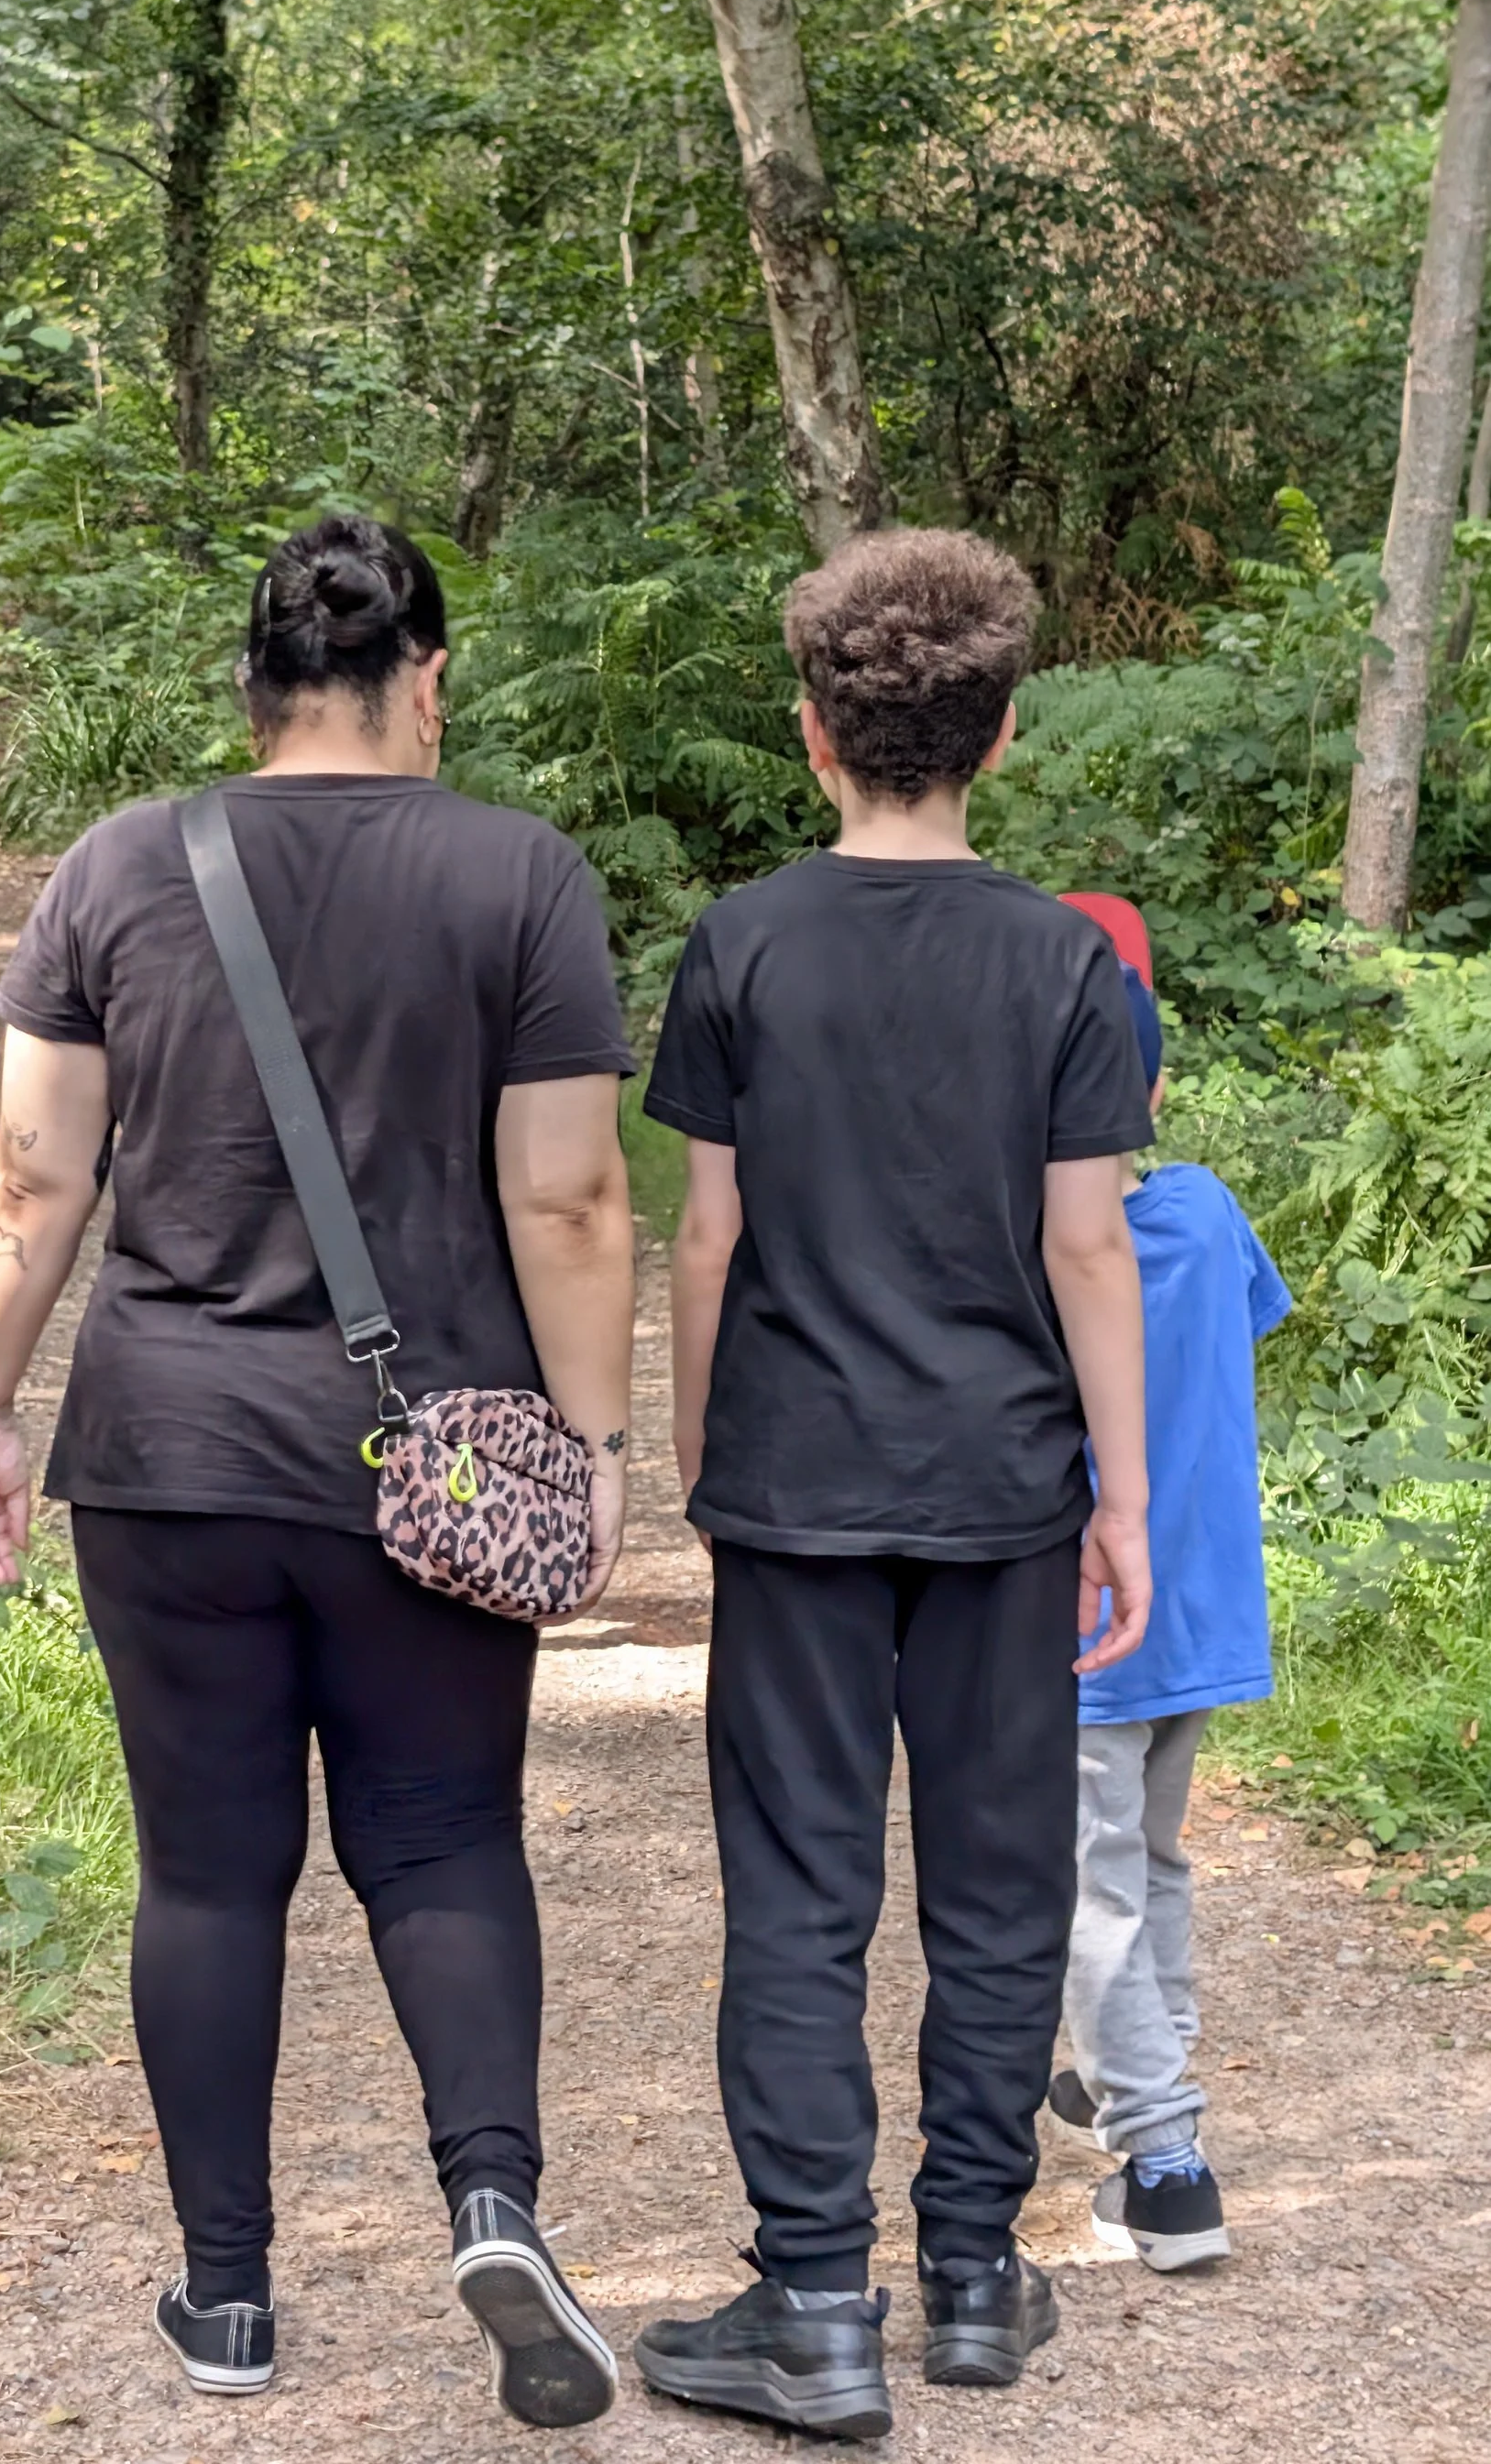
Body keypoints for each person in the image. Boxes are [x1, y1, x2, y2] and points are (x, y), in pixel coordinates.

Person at [0, 516, 636, 2429]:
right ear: (425, 684)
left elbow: (31, 1177)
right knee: (442, 1836)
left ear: (250, 694)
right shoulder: (520, 875)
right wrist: (591, 1440)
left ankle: (224, 2298)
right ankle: (490, 2197)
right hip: (432, 1463)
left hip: (165, 1449)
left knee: (209, 1875)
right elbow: (564, 1191)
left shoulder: (113, 868)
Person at [632, 527, 1157, 2444]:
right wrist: (1122, 1496)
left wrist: (701, 1446)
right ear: (1000, 736)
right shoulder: (1056, 962)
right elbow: (1086, 1247)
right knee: (997, 1880)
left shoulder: (740, 942)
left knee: (796, 1889)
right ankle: (962, 2272)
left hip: (796, 1481)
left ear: (810, 733)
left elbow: (708, 1234)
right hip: (1003, 1485)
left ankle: (803, 2306)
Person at [1045, 909, 1291, 2273]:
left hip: (1084, 1630)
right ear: (1147, 1089)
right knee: (1152, 1864)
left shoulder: (1029, 1254)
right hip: (1205, 1615)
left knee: (1091, 1890)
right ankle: (1122, 2084)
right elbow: (1250, 1319)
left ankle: (1167, 2159)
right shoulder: (1203, 1211)